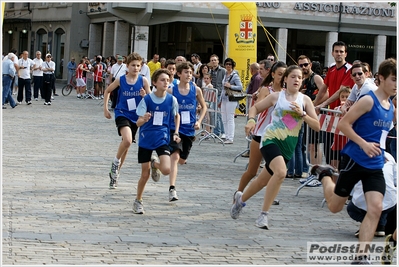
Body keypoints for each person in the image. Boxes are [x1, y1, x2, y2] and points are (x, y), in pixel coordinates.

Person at [311, 58, 396, 265]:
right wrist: (364, 144)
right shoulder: (368, 100)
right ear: (381, 78)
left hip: (375, 165)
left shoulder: (390, 106)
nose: (397, 84)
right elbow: (343, 124)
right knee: (334, 207)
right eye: (394, 79)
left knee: (375, 208)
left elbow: (383, 135)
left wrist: (380, 150)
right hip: (354, 159)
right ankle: (324, 175)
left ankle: (361, 256)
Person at [230, 65, 320, 229]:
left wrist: (303, 115)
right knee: (281, 172)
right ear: (285, 79)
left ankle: (240, 201)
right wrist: (251, 120)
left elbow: (317, 126)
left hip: (288, 146)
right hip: (270, 139)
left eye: (299, 77)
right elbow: (255, 107)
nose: (296, 80)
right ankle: (263, 215)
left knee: (262, 181)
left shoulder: (305, 100)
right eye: (292, 76)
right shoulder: (277, 97)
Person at [234, 61, 286, 195]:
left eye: (285, 75)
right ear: (273, 74)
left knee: (275, 170)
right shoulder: (266, 90)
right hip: (261, 134)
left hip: (276, 137)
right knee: (252, 171)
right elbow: (255, 107)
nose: (282, 77)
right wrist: (251, 120)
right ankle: (238, 193)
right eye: (279, 74)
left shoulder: (288, 93)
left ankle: (270, 196)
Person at [134, 69, 181, 214]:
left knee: (167, 169)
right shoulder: (147, 100)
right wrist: (144, 118)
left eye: (168, 80)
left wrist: (176, 132)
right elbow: (137, 123)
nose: (166, 82)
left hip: (162, 138)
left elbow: (176, 115)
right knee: (145, 175)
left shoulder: (171, 99)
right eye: (162, 80)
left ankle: (155, 163)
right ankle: (138, 200)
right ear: (154, 82)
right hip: (146, 139)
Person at [103, 52, 151, 189]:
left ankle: (115, 173)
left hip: (137, 116)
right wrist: (105, 109)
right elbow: (107, 91)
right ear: (127, 66)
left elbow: (150, 99)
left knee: (127, 145)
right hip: (122, 113)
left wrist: (145, 95)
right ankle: (115, 162)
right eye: (133, 65)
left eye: (138, 66)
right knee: (128, 140)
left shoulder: (143, 81)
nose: (135, 68)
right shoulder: (121, 79)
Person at [167, 62, 207, 201]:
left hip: (189, 129)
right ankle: (172, 188)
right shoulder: (172, 91)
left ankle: (157, 164)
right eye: (185, 72)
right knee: (175, 157)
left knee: (182, 160)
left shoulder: (196, 90)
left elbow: (204, 107)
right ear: (179, 74)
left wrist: (199, 121)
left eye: (190, 72)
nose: (189, 75)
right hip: (175, 128)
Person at [313, 41, 354, 166]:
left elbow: (340, 91)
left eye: (341, 51)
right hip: (331, 114)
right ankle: (332, 178)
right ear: (332, 53)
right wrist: (313, 104)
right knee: (328, 148)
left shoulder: (350, 69)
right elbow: (324, 88)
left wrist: (322, 104)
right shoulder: (331, 69)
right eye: (336, 51)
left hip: (342, 115)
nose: (339, 54)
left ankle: (341, 177)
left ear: (346, 54)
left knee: (341, 150)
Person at [347, 152, 396, 238]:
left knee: (352, 208)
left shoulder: (356, 157)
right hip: (388, 201)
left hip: (366, 199)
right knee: (385, 201)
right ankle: (380, 225)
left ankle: (370, 224)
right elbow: (396, 180)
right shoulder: (389, 157)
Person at [297, 55, 327, 172]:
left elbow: (326, 93)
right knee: (309, 144)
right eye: (301, 65)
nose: (304, 67)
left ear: (310, 65)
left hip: (316, 114)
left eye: (305, 64)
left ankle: (316, 172)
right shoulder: (303, 80)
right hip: (306, 115)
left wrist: (313, 105)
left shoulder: (316, 78)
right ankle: (310, 170)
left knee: (314, 144)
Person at [220, 58, 243, 144]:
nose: (228, 66)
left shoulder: (235, 75)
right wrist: (220, 100)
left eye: (230, 64)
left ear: (232, 65)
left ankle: (230, 137)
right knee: (224, 118)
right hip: (224, 98)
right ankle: (226, 135)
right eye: (226, 64)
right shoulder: (225, 74)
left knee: (230, 118)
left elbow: (240, 87)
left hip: (231, 98)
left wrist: (230, 86)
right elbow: (222, 88)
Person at [209, 54, 226, 138]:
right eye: (212, 60)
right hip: (212, 95)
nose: (213, 61)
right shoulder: (210, 71)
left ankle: (223, 132)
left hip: (219, 94)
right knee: (214, 114)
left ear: (218, 61)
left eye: (215, 60)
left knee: (219, 114)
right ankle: (216, 131)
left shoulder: (223, 71)